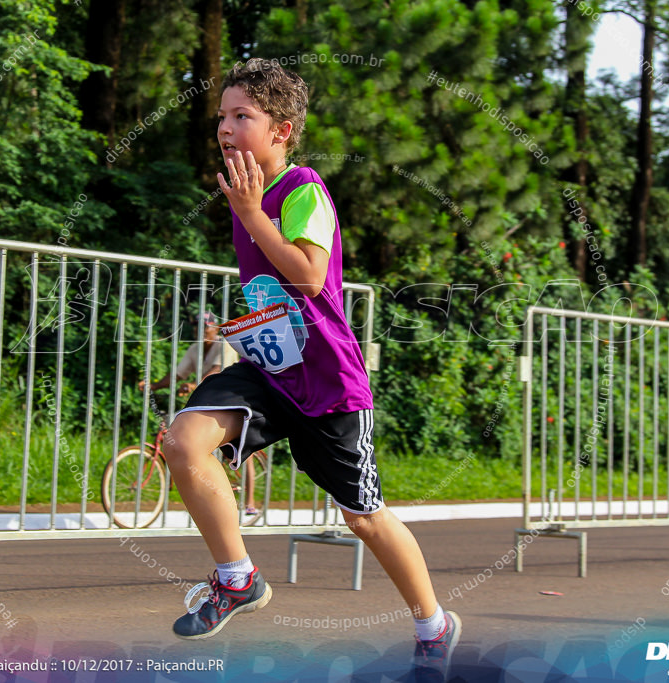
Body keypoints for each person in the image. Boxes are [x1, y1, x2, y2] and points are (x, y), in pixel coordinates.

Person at [161, 58, 460, 675]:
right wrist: (239, 326)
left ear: (282, 129)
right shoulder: (248, 193)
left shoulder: (303, 189)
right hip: (273, 369)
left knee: (364, 519)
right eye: (222, 116)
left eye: (243, 116)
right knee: (184, 440)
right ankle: (237, 578)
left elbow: (306, 273)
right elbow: (276, 294)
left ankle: (433, 626)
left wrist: (250, 215)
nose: (225, 127)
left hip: (327, 382)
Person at [138, 312, 258, 516]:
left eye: (206, 328)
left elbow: (215, 371)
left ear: (215, 329)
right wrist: (155, 385)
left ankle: (250, 502)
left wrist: (194, 384)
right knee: (181, 431)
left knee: (244, 454)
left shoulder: (224, 345)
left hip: (234, 402)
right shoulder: (196, 349)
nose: (201, 332)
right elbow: (177, 374)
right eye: (197, 328)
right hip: (210, 402)